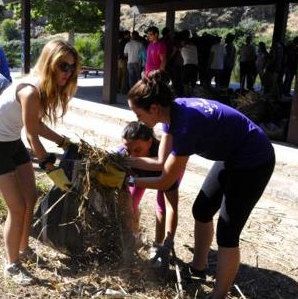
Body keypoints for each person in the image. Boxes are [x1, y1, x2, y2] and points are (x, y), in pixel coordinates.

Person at [127, 72, 275, 299]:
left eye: (138, 113)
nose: (137, 119)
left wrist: (126, 180)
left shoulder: (185, 125)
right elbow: (159, 163)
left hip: (254, 159)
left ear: (154, 108)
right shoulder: (171, 114)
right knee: (202, 210)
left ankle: (219, 294)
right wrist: (124, 162)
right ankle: (198, 269)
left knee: (228, 231)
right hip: (231, 155)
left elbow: (166, 180)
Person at [0, 40, 81, 285]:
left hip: (12, 143)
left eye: (73, 68)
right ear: (50, 64)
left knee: (31, 197)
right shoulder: (30, 91)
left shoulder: (43, 90)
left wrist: (65, 142)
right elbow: (32, 135)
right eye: (63, 66)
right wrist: (48, 164)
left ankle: (23, 249)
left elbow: (36, 125)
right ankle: (12, 264)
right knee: (17, 208)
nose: (68, 73)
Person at [117, 121, 182, 271]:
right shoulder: (122, 155)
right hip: (137, 177)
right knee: (130, 203)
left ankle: (158, 246)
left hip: (163, 174)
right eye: (128, 150)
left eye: (138, 150)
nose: (132, 155)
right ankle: (133, 237)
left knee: (161, 208)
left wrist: (168, 242)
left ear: (149, 141)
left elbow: (170, 206)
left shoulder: (168, 157)